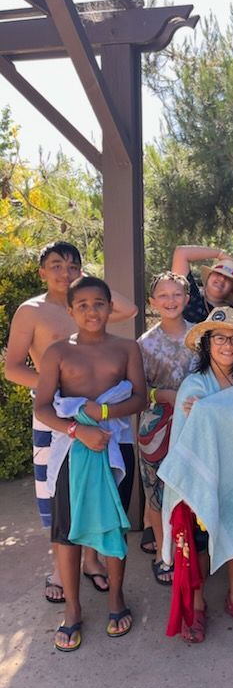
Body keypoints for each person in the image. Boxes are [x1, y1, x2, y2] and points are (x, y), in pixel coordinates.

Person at [4, 241, 137, 602]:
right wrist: (56, 388)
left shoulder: (88, 306)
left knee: (97, 485)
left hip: (97, 411)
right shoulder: (31, 311)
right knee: (55, 491)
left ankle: (91, 561)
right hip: (54, 412)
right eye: (56, 265)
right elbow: (13, 367)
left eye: (72, 266)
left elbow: (130, 308)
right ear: (42, 272)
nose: (65, 272)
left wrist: (86, 282)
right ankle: (60, 568)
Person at [34, 276, 146, 651]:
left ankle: (116, 598)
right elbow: (42, 406)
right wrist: (77, 430)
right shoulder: (57, 352)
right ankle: (72, 608)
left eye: (99, 303)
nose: (91, 311)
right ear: (70, 311)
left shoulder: (127, 348)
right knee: (66, 529)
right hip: (71, 450)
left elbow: (141, 398)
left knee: (114, 521)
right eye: (82, 305)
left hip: (115, 445)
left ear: (110, 308)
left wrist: (103, 413)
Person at [158, 307, 233, 643]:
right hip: (202, 476)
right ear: (207, 344)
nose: (227, 345)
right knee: (197, 542)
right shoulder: (193, 385)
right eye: (219, 338)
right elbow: (188, 436)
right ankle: (197, 602)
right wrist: (207, 413)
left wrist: (210, 411)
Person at [137, 272, 197, 586]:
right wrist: (162, 395)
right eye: (163, 295)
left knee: (192, 488)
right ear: (152, 302)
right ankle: (164, 554)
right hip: (156, 426)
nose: (170, 301)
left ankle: (191, 552)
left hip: (196, 423)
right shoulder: (144, 343)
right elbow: (136, 390)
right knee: (157, 491)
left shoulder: (200, 337)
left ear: (187, 299)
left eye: (176, 295)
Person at [171, 244, 233, 324]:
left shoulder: (232, 315)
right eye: (218, 273)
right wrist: (220, 254)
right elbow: (181, 253)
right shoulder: (190, 292)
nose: (222, 279)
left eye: (228, 278)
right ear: (209, 276)